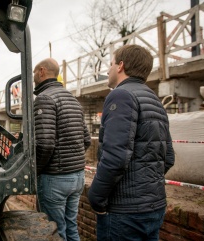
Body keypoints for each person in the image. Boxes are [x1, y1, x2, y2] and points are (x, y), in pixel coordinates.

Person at [88, 44, 175, 241]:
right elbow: (168, 157)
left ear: (120, 66)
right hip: (154, 207)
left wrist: (96, 198)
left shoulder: (121, 95)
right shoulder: (155, 102)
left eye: (110, 64)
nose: (108, 70)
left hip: (124, 211)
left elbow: (115, 158)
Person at [33, 58, 91, 241]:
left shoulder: (44, 98)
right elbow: (86, 140)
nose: (33, 76)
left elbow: (44, 144)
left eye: (34, 72)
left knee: (55, 231)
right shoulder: (73, 99)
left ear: (42, 71)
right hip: (77, 177)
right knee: (71, 226)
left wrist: (36, 170)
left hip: (55, 178)